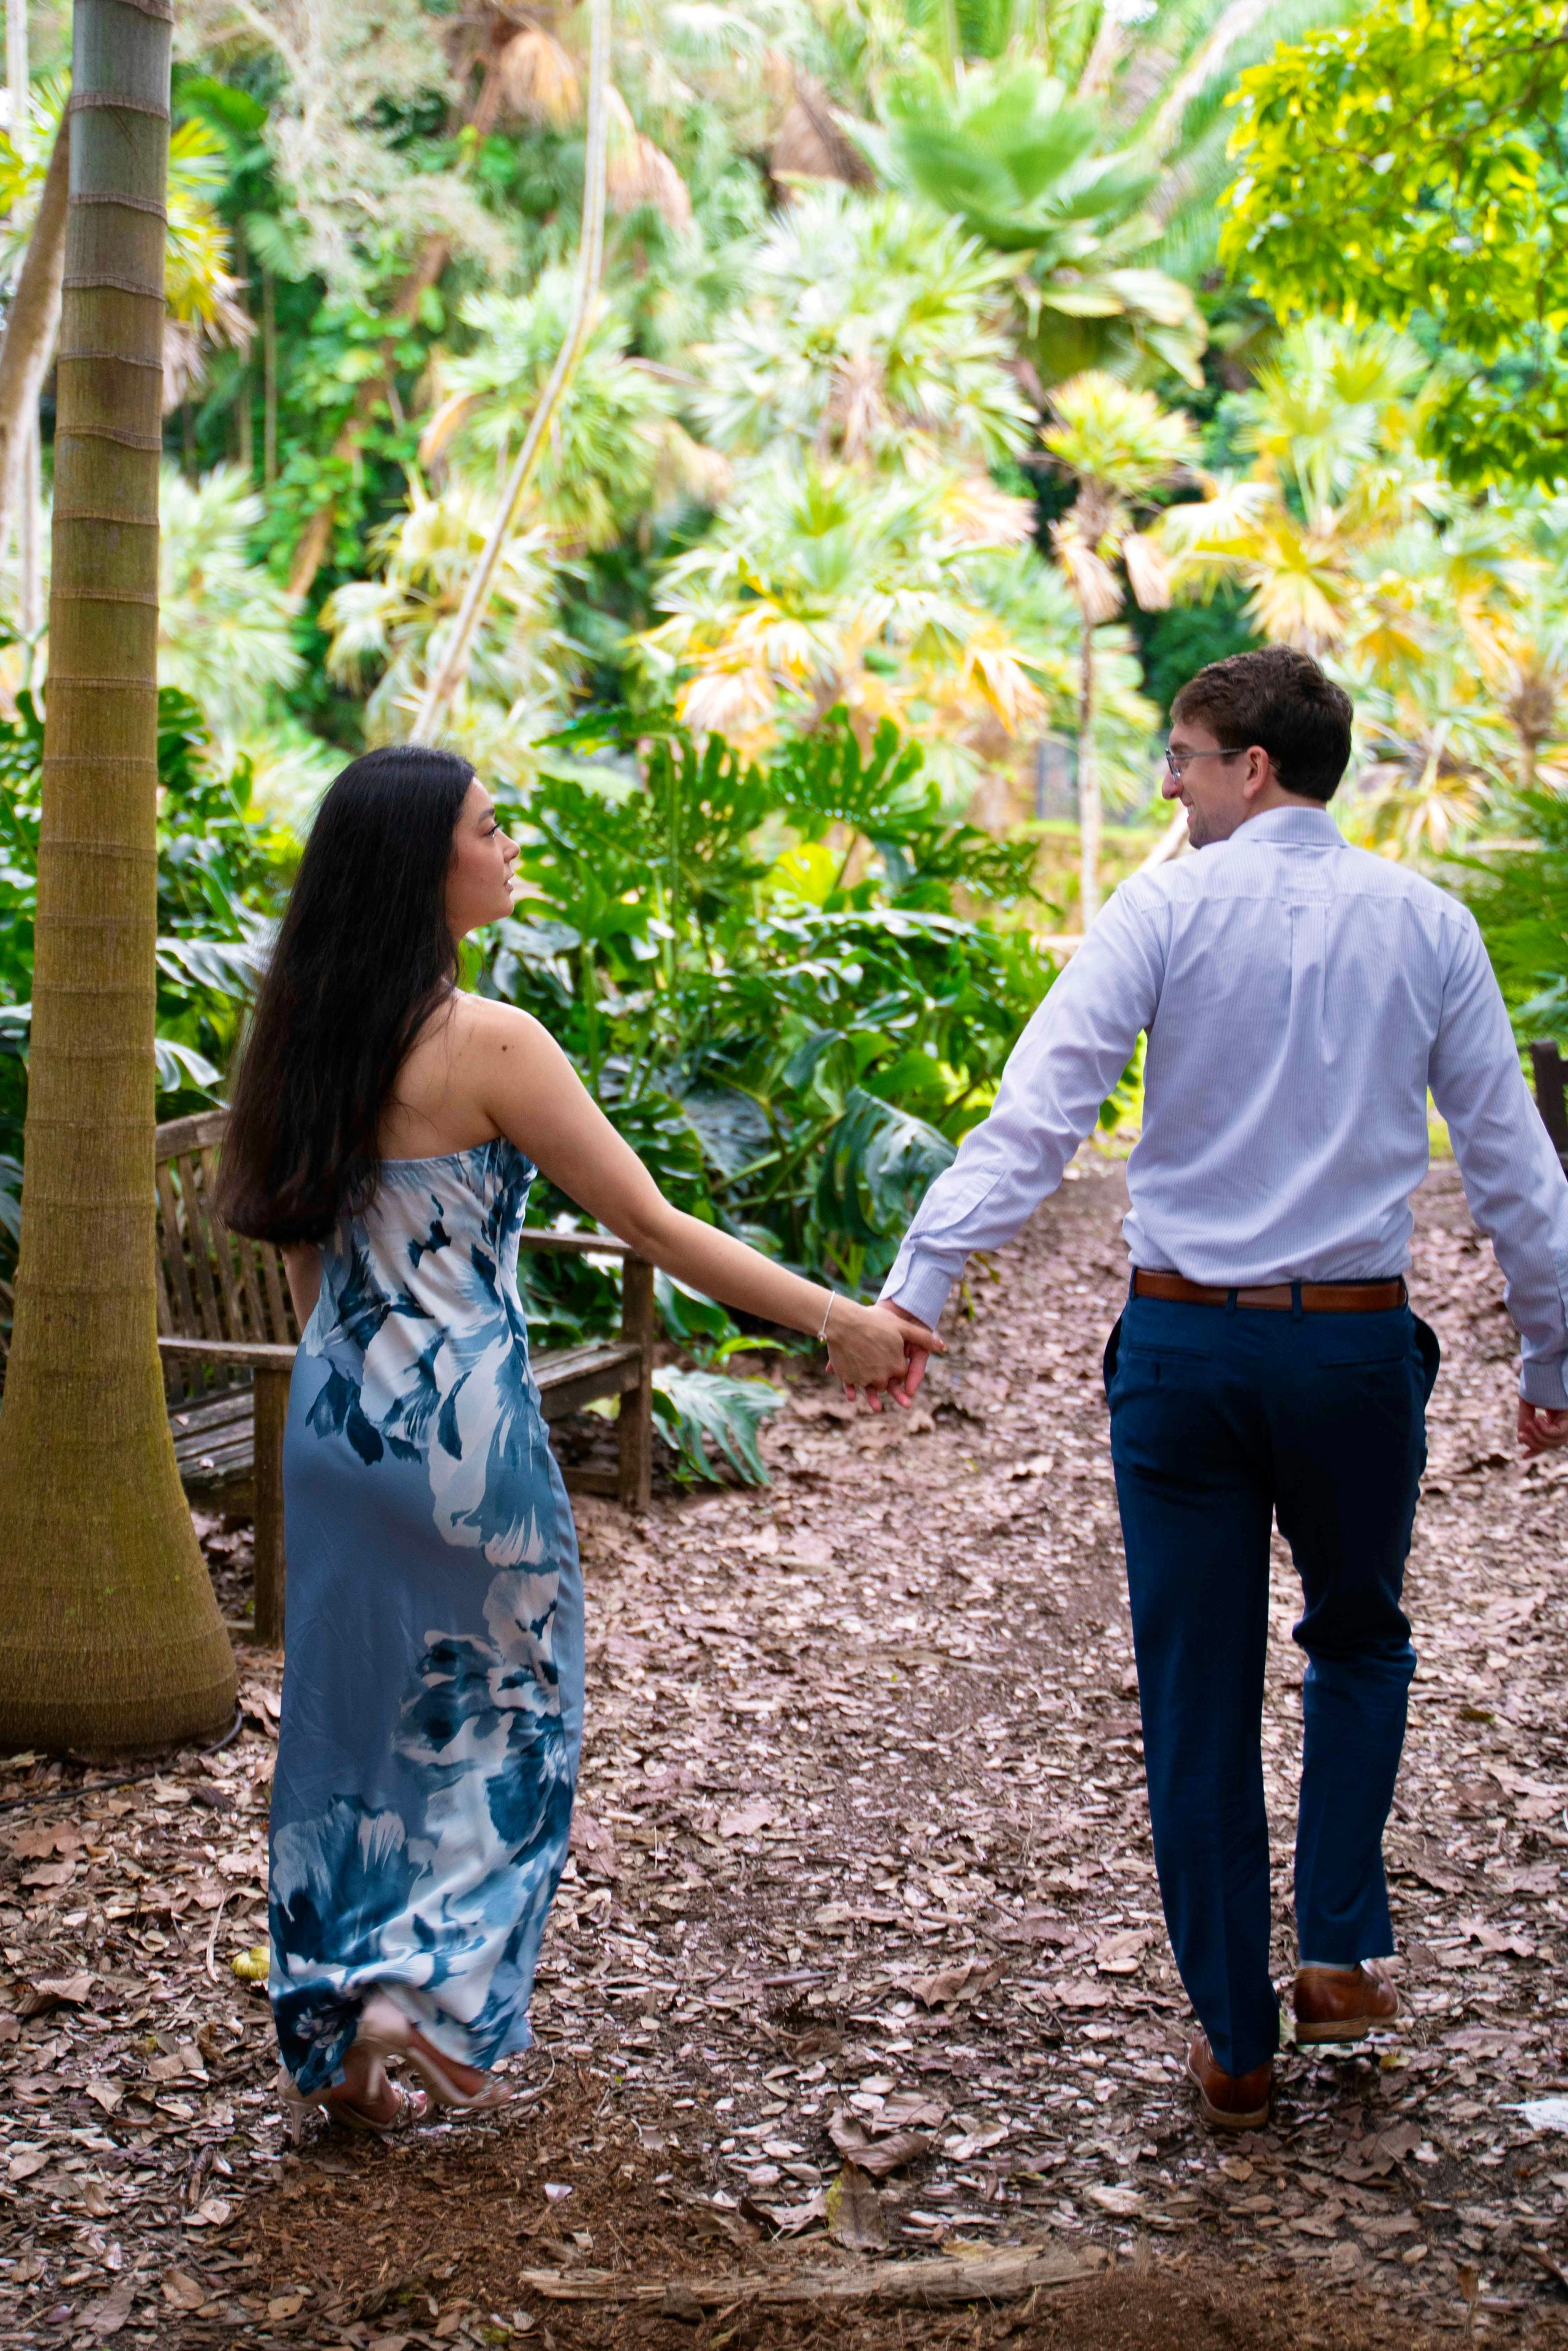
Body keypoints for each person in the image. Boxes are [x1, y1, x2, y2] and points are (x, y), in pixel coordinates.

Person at [878, 647, 1568, 2131]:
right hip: (1347, 1350)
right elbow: (1512, 1162)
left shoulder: (1163, 907)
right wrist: (1550, 1352)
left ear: (1253, 765)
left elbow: (1038, 1111)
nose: (1171, 786)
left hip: (1184, 1352)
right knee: (1360, 1636)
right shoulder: (1427, 922)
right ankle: (1332, 1939)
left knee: (1196, 1692)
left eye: (1183, 757)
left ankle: (1235, 2043)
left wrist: (917, 1287)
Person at [217, 744, 938, 2132]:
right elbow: (653, 1228)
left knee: (354, 1725)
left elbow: (311, 1262)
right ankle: (427, 2001)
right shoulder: (486, 1043)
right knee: (515, 1716)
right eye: (491, 828)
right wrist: (835, 1321)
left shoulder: (306, 1028)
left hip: (335, 1420)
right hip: (463, 1437)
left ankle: (344, 2012)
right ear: (431, 865)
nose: (511, 846)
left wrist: (342, 1395)